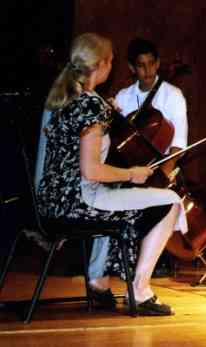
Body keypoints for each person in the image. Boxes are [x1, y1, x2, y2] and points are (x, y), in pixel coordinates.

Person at [38, 32, 188, 316]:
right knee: (170, 200)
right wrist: (132, 173)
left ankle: (100, 278)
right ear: (103, 64)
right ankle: (141, 290)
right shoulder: (91, 104)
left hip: (53, 199)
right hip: (78, 201)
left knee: (130, 200)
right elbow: (92, 170)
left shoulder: (65, 97)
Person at [88, 37, 188, 284]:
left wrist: (161, 176)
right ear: (132, 68)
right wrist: (114, 119)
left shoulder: (173, 95)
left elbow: (178, 146)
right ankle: (98, 276)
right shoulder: (123, 96)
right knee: (106, 195)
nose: (147, 71)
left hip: (159, 169)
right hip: (125, 168)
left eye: (152, 64)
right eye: (141, 66)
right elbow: (113, 143)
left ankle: (132, 271)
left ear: (158, 63)